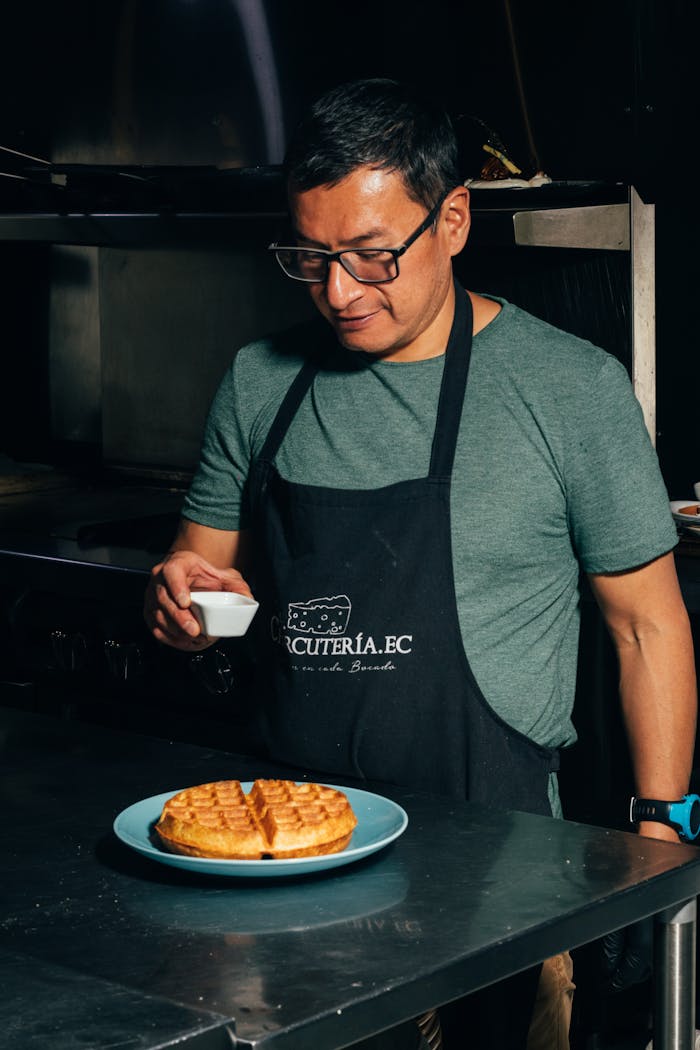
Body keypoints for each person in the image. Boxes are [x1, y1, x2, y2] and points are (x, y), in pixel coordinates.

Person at [144, 78, 697, 1049]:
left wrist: (660, 826)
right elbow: (198, 564)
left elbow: (645, 622)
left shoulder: (568, 389)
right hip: (287, 871)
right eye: (309, 259)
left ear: (451, 220)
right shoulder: (259, 380)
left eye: (369, 256)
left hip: (503, 880)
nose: (340, 293)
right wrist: (182, 597)